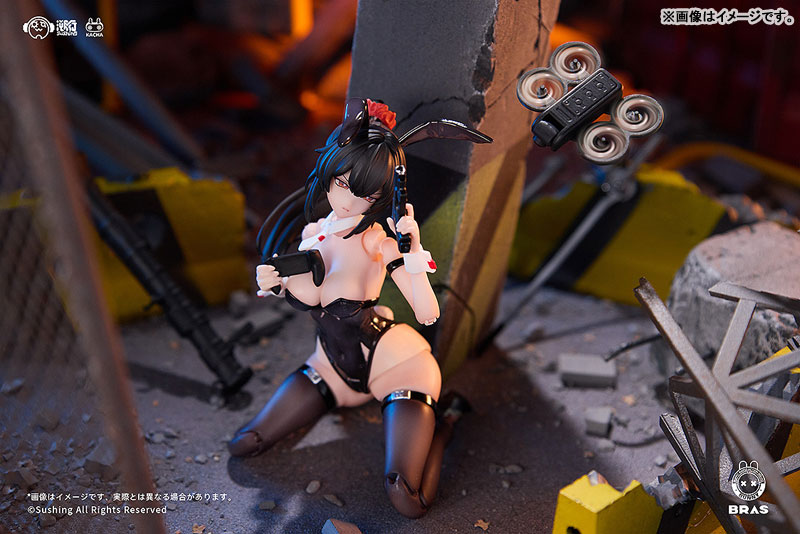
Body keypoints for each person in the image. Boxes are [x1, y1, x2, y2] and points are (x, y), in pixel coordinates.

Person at [229, 98, 490, 517]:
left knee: (407, 498)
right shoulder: (313, 234)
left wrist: (413, 253)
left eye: (366, 193)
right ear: (328, 175)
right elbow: (304, 294)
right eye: (341, 183)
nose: (349, 201)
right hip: (332, 366)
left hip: (396, 366)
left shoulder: (376, 241)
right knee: (246, 443)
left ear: (380, 197)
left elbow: (428, 313)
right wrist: (273, 284)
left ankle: (447, 421)